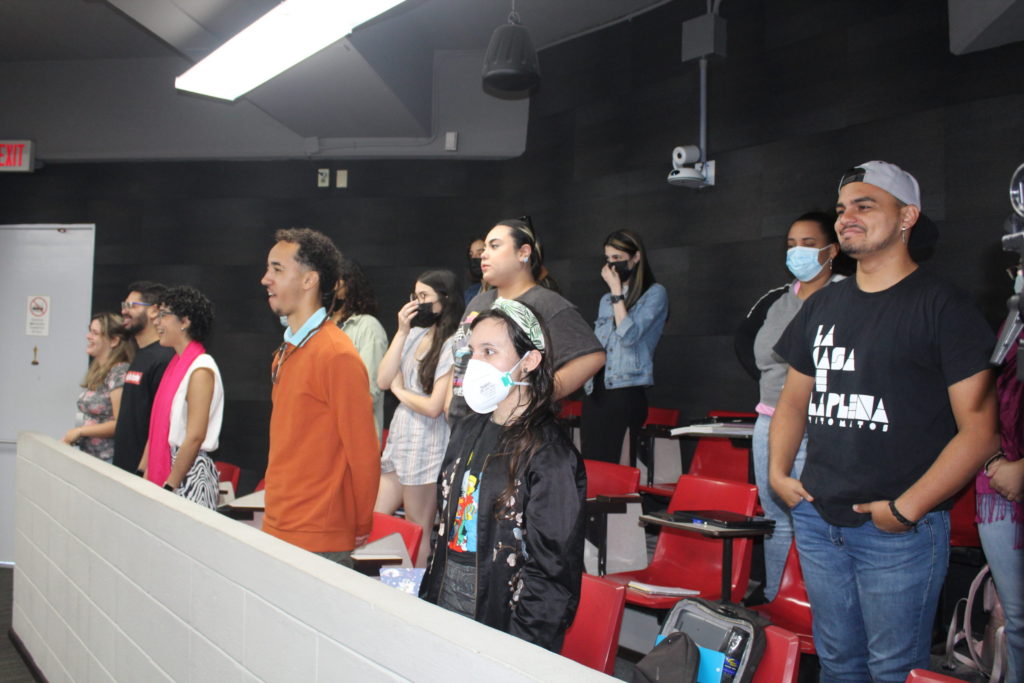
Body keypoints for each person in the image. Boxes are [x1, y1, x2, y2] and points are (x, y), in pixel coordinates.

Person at [770, 161, 999, 682]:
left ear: (907, 217)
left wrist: (905, 509)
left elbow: (981, 431)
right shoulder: (823, 305)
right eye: (841, 208)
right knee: (837, 664)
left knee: (893, 670)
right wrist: (780, 474)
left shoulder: (944, 306)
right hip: (818, 518)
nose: (846, 217)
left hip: (898, 531)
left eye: (865, 205)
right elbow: (793, 402)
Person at [420, 299, 586, 652]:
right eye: (472, 352)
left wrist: (519, 650)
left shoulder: (550, 454)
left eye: (489, 351)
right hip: (446, 593)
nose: (475, 363)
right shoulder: (467, 429)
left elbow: (552, 571)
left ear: (529, 361)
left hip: (503, 614)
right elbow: (444, 523)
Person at [733, 212, 844, 601]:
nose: (798, 252)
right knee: (776, 516)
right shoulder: (779, 300)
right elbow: (759, 354)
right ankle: (775, 599)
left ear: (832, 250)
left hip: (821, 423)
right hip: (770, 418)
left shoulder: (847, 294)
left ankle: (813, 602)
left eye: (809, 244)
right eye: (792, 244)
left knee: (815, 516)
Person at [260, 228, 380, 567]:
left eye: (277, 269)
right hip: (279, 523)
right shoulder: (287, 350)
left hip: (318, 535)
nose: (266, 279)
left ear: (309, 280)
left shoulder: (336, 354)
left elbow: (363, 451)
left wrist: (360, 522)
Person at [447, 218, 606, 420]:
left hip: (513, 428)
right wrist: (449, 405)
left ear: (523, 252)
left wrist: (537, 397)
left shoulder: (546, 303)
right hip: (465, 424)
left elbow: (592, 358)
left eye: (494, 246)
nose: (484, 254)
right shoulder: (478, 302)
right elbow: (460, 357)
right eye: (484, 248)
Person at [376, 269, 461, 567]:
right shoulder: (413, 334)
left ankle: (418, 587)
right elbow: (383, 380)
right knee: (376, 516)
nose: (416, 302)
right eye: (415, 295)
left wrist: (400, 391)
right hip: (400, 439)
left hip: (427, 443)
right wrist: (401, 331)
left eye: (424, 296)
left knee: (418, 527)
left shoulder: (454, 343)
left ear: (445, 300)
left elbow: (434, 406)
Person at [580, 229, 668, 464]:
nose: (612, 265)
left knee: (617, 465)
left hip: (625, 389)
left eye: (618, 258)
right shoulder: (605, 300)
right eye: (608, 259)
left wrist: (617, 293)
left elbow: (629, 336)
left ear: (636, 257)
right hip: (595, 389)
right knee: (592, 464)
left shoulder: (654, 294)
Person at [138, 286, 224, 509]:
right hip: (172, 468)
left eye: (164, 315)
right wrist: (141, 472)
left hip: (189, 474)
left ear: (185, 321)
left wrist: (169, 486)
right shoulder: (175, 366)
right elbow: (159, 427)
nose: (157, 322)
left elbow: (195, 436)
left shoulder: (201, 368)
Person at [976, 285, 1023, 681]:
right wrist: (994, 461)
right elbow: (981, 402)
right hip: (997, 484)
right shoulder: (1012, 323)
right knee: (1017, 617)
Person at [113, 281, 175, 473]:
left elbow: (163, 422)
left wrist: (143, 470)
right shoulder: (141, 355)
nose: (124, 311)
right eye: (124, 305)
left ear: (154, 311)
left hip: (143, 473)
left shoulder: (164, 358)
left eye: (131, 306)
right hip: (123, 467)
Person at [63, 312, 135, 463]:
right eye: (90, 331)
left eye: (95, 333)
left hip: (108, 460)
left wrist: (80, 431)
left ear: (114, 340)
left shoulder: (119, 371)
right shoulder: (99, 370)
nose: (88, 336)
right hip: (90, 457)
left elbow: (120, 423)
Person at [330, 257, 388, 440]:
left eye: (333, 281)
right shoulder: (320, 326)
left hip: (355, 437)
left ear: (348, 284)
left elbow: (369, 393)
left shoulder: (367, 327)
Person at [464, 237, 486, 304]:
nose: (474, 258)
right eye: (471, 255)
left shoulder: (503, 291)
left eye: (480, 254)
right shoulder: (470, 293)